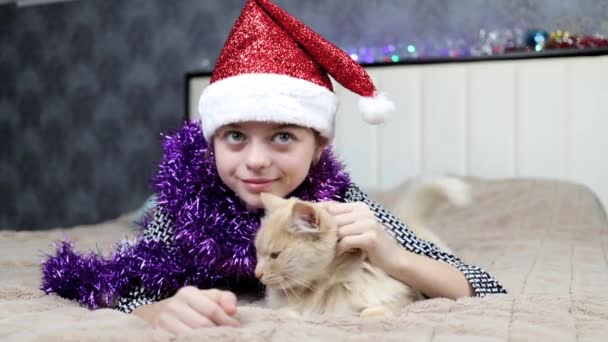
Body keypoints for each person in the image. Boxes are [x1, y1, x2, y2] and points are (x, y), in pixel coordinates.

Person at [42, 0, 506, 335]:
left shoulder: (334, 203)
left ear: (319, 148)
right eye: (235, 136)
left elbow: (482, 285)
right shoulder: (187, 204)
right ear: (212, 143)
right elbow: (118, 285)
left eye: (283, 136)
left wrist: (392, 255)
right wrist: (156, 310)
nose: (257, 160)